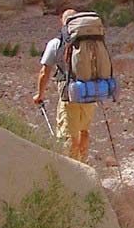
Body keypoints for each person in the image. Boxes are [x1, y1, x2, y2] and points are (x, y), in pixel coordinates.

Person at [34, 9, 94, 162]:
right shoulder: (90, 41)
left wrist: (39, 94)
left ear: (62, 21)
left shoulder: (56, 43)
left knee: (69, 134)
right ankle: (84, 164)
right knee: (83, 130)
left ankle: (73, 170)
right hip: (90, 91)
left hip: (69, 93)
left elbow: (44, 72)